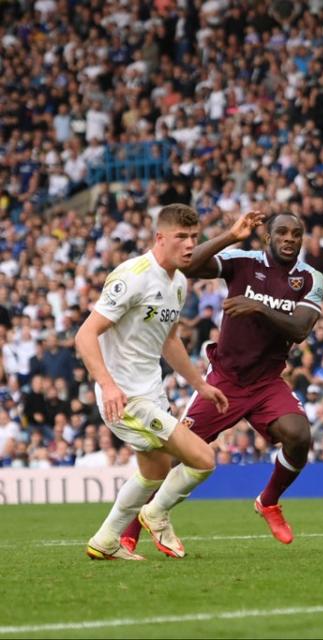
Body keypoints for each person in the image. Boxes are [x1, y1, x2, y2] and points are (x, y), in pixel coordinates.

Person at [120, 211, 323, 549]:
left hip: (267, 383)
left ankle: (268, 501)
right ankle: (132, 527)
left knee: (299, 436)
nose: (290, 238)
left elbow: (301, 329)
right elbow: (187, 267)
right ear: (267, 238)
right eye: (283, 232)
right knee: (172, 454)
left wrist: (258, 308)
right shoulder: (243, 261)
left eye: (297, 234)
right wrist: (230, 236)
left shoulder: (310, 277)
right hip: (224, 381)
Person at [76, 204, 229, 560]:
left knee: (155, 470)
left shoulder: (177, 283)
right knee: (203, 459)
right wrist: (108, 384)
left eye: (194, 237)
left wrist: (200, 385)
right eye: (182, 237)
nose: (191, 244)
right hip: (125, 396)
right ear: (160, 238)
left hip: (151, 391)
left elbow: (169, 340)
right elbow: (85, 335)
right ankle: (156, 513)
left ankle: (105, 541)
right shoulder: (133, 275)